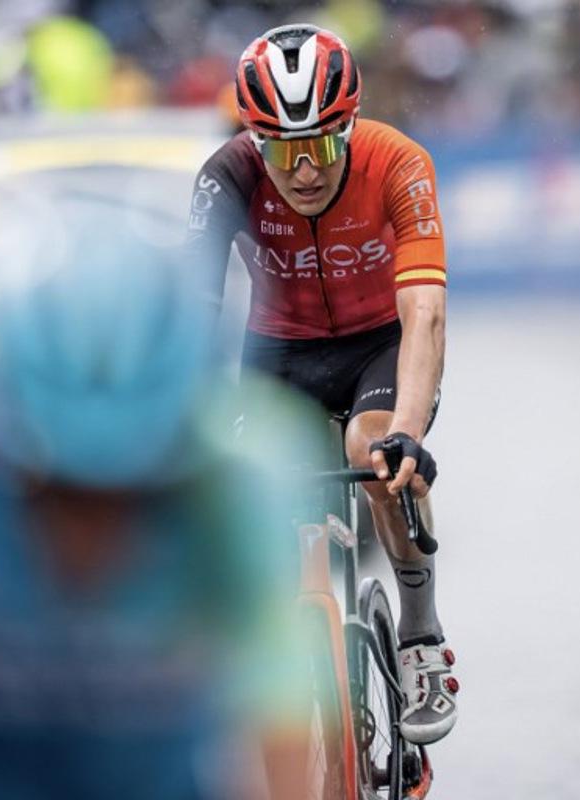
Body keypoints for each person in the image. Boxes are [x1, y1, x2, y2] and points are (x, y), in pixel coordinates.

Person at [0, 214, 322, 799]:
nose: (95, 524)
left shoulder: (236, 485)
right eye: (59, 490)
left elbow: (280, 707)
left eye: (136, 487)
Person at [185, 24, 458, 745]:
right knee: (249, 481)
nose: (305, 170)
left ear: (350, 128)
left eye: (323, 146)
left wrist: (408, 430)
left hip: (382, 344)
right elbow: (192, 318)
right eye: (283, 150)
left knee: (376, 450)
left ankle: (421, 632)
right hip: (282, 349)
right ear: (253, 141)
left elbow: (424, 312)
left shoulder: (398, 162)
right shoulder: (226, 177)